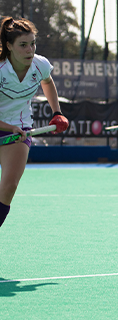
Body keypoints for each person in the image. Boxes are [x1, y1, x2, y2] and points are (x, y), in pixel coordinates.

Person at [0, 17, 68, 228]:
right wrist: (8, 127)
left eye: (32, 44)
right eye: (23, 45)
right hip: (8, 126)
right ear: (9, 46)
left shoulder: (40, 65)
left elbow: (47, 81)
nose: (30, 50)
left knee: (9, 187)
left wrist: (57, 112)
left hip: (20, 127)